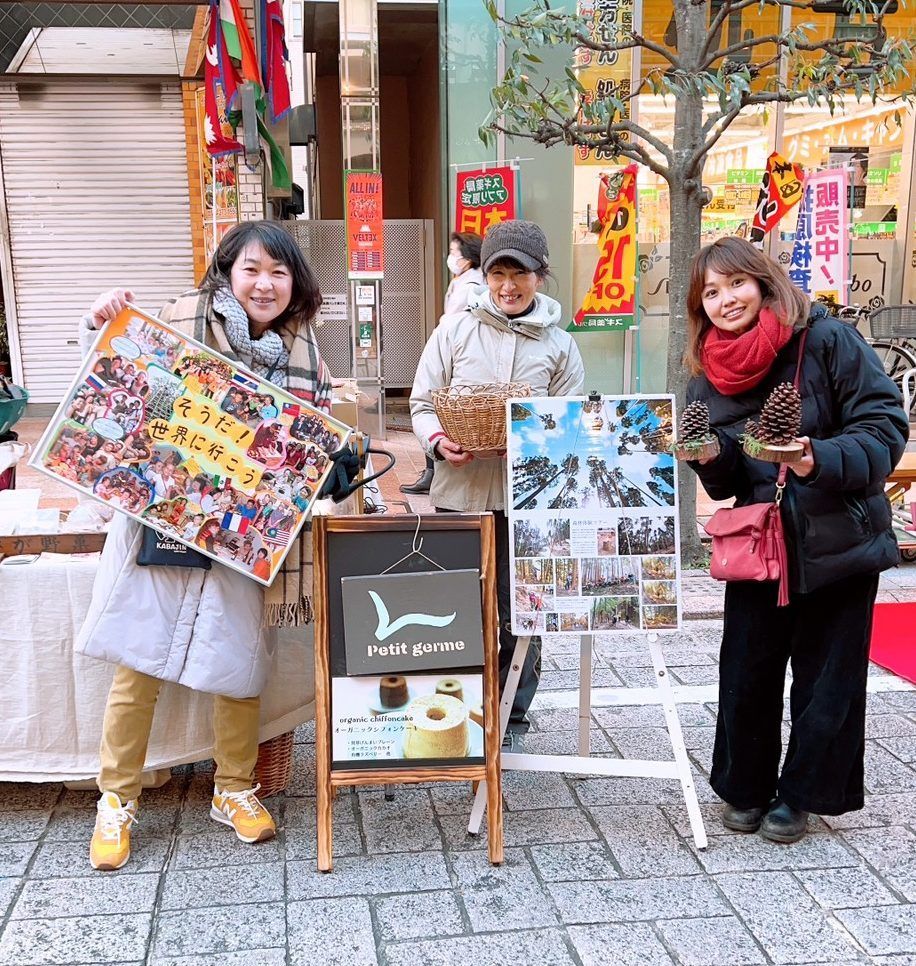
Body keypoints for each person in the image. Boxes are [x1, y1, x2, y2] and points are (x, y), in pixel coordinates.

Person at [77, 219, 332, 871]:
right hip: (162, 519)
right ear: (226, 272)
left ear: (295, 283)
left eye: (279, 272)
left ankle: (235, 790)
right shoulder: (178, 323)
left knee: (238, 663)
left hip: (243, 536)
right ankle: (115, 802)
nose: (265, 283)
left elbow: (309, 453)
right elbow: (127, 392)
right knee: (138, 665)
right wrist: (101, 322)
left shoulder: (309, 357)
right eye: (252, 268)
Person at [684, 236, 907, 844]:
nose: (726, 300)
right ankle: (745, 787)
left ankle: (802, 794)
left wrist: (816, 457)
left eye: (736, 284)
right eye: (711, 292)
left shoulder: (827, 339)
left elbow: (885, 427)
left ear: (762, 283)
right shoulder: (709, 372)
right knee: (747, 669)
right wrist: (709, 456)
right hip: (759, 542)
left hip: (838, 538)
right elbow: (731, 474)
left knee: (827, 677)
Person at [410, 220, 585, 737]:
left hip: (527, 501)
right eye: (498, 273)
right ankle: (459, 702)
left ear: (540, 276)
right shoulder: (454, 330)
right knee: (460, 605)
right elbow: (422, 403)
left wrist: (538, 447)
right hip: (460, 495)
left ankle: (512, 709)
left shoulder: (559, 345)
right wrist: (439, 441)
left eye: (520, 274)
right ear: (485, 275)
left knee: (521, 609)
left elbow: (571, 420)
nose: (508, 286)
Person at [401, 231, 484, 496]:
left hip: (457, 357)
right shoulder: (462, 281)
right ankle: (432, 469)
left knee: (444, 411)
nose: (451, 257)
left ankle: (432, 471)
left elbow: (454, 322)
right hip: (446, 352)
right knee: (432, 408)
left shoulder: (472, 287)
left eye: (455, 252)